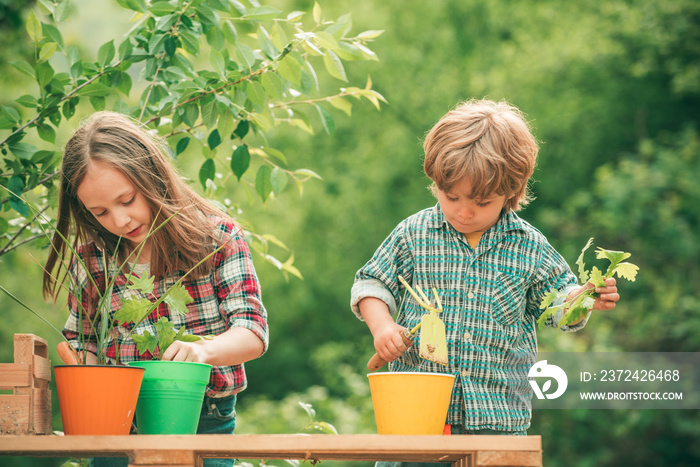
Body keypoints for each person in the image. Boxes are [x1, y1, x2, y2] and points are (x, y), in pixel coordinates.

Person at [351, 99, 619, 448]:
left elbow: (558, 307)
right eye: (451, 197)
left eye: (481, 203)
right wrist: (382, 326)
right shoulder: (413, 234)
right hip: (417, 418)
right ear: (435, 182)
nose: (463, 212)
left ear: (510, 192)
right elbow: (372, 283)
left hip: (497, 422)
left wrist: (582, 300)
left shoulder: (529, 247)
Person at [43, 111, 269, 467]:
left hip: (203, 421)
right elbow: (83, 340)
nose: (120, 221)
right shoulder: (92, 259)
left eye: (127, 200)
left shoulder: (217, 239)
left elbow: (253, 332)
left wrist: (205, 351)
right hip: (116, 427)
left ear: (153, 177)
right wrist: (89, 387)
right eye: (100, 212)